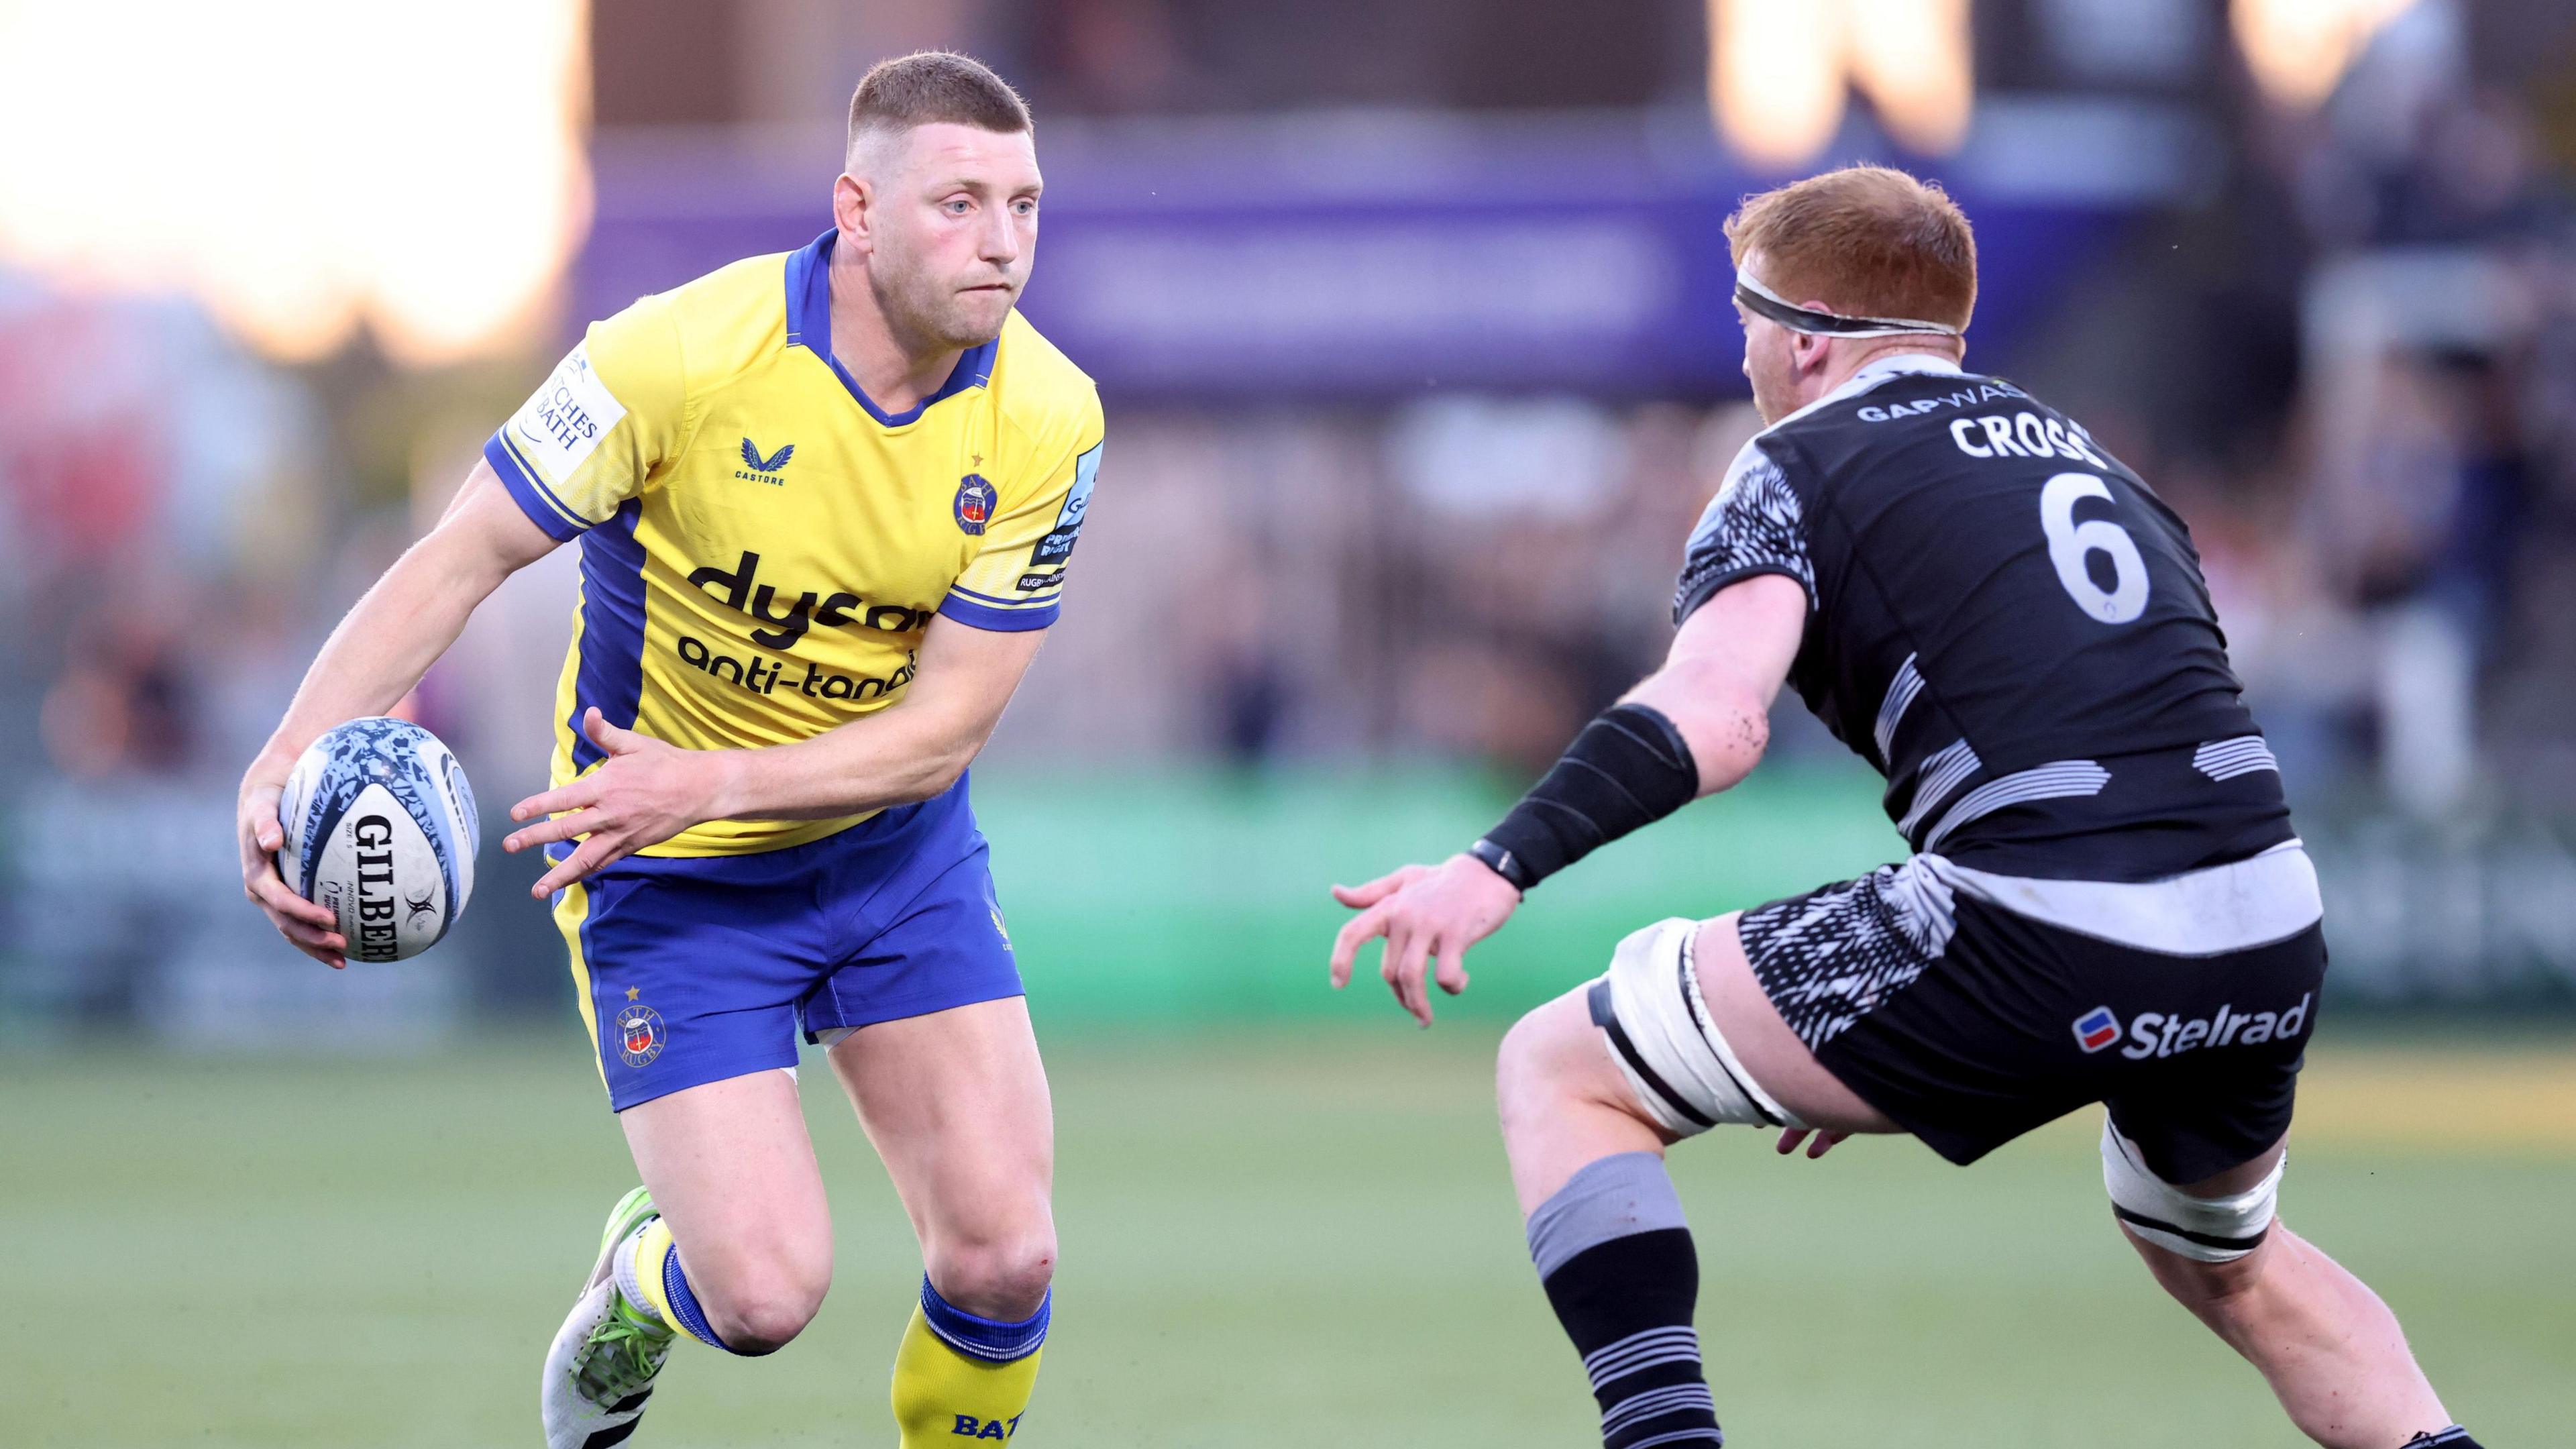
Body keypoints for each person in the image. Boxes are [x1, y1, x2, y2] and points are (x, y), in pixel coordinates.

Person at [1328, 166, 2477, 1449]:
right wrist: (1873, 1026)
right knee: (2234, 1264)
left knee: (1560, 1069)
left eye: (1752, 318)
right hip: (2266, 921)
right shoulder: (2098, 458)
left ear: (1809, 333)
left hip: (2044, 927)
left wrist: (1497, 866)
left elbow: (1719, 717)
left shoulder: (1792, 461)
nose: (1748, 348)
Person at [233, 52, 1099, 1449]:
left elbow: (943, 732)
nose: (1001, 240)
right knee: (763, 1298)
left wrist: (718, 781)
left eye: (1025, 202)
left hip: (889, 857)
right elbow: (465, 556)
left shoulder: (1053, 417)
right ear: (858, 211)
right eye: (958, 203)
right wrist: (283, 759)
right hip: (665, 875)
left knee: (1007, 1258)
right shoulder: (676, 354)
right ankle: (642, 1277)